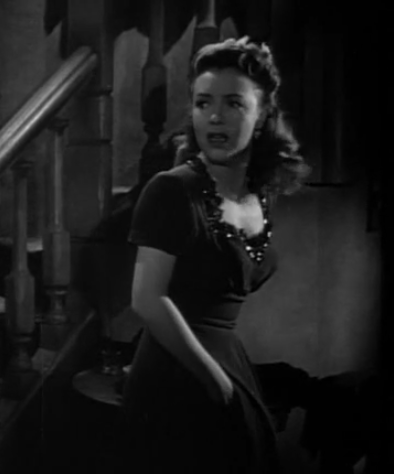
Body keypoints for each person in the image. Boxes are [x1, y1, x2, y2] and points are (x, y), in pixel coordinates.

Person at [122, 36, 310, 473]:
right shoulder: (172, 190)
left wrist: (227, 382)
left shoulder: (260, 194)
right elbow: (147, 299)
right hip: (176, 370)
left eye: (233, 103)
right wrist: (215, 382)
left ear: (262, 115)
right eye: (203, 103)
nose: (214, 117)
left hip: (227, 362)